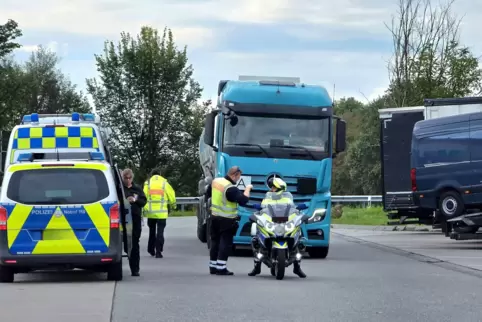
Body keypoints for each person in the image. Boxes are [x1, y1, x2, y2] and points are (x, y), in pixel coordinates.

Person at [248, 176, 306, 278]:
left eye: (273, 187)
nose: (271, 189)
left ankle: (297, 268)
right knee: (256, 238)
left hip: (284, 224)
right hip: (272, 224)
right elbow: (263, 208)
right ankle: (257, 267)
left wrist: (298, 212)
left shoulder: (288, 198)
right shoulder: (268, 197)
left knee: (300, 238)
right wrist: (258, 209)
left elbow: (292, 209)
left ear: (279, 188)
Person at [205, 166, 252, 275]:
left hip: (214, 217)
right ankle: (221, 267)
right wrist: (248, 189)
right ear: (234, 175)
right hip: (226, 219)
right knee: (225, 243)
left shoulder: (216, 181)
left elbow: (208, 194)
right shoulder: (230, 188)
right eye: (238, 177)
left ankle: (213, 266)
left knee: (215, 242)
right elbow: (243, 201)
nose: (238, 180)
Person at [143, 168, 176, 258]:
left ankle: (151, 250)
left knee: (152, 232)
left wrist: (144, 209)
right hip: (162, 213)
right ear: (160, 174)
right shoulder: (164, 183)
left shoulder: (148, 183)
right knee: (160, 232)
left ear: (151, 174)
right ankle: (158, 251)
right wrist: (173, 206)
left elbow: (143, 196)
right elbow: (171, 195)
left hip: (151, 213)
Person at [122, 168, 147, 277]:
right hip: (123, 220)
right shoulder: (120, 189)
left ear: (132, 178)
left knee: (135, 244)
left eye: (129, 178)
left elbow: (143, 201)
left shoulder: (137, 189)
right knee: (127, 245)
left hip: (135, 219)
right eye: (125, 178)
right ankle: (128, 255)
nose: (128, 180)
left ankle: (135, 269)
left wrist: (135, 200)